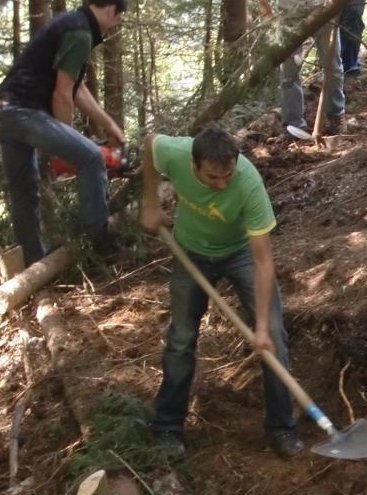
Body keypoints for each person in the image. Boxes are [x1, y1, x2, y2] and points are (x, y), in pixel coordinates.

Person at [140, 124, 304, 459]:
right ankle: (168, 427)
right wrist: (151, 202)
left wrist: (259, 327)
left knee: (273, 333)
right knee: (181, 339)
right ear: (193, 165)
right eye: (213, 177)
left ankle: (281, 428)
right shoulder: (174, 153)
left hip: (240, 253)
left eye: (227, 175)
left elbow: (262, 261)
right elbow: (149, 144)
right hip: (191, 253)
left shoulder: (248, 184)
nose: (222, 184)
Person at [0, 0, 127, 265]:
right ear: (111, 10)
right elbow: (62, 94)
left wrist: (110, 124)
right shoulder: (80, 32)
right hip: (23, 110)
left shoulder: (74, 23)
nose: (114, 25)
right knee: (91, 157)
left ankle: (35, 264)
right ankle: (99, 246)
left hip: (7, 109)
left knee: (24, 188)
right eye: (117, 19)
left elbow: (76, 88)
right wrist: (68, 146)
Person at [259, 0, 348, 136]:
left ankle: (336, 115)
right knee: (288, 72)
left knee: (333, 66)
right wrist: (268, 15)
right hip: (288, 10)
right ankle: (293, 124)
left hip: (322, 6)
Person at [339, 0, 365, 76]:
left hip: (353, 9)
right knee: (345, 31)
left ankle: (350, 64)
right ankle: (348, 64)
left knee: (352, 30)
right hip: (346, 10)